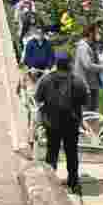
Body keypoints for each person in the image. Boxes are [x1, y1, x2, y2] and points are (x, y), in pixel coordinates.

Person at [34, 53, 85, 195]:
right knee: (71, 153)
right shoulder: (77, 81)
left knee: (52, 152)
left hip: (52, 123)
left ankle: (50, 182)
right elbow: (84, 101)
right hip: (71, 123)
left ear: (57, 63)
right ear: (69, 64)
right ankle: (73, 183)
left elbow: (38, 97)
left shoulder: (46, 79)